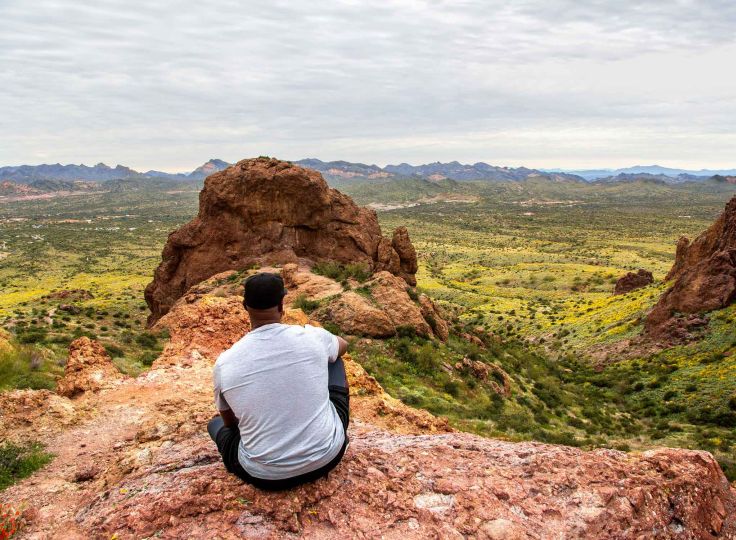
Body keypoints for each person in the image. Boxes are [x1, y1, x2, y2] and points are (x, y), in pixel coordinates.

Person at [207, 272, 350, 491]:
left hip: (264, 477)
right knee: (334, 359)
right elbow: (342, 344)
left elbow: (230, 423)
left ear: (245, 306)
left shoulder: (225, 363)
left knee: (215, 425)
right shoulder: (311, 337)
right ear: (282, 305)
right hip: (328, 456)